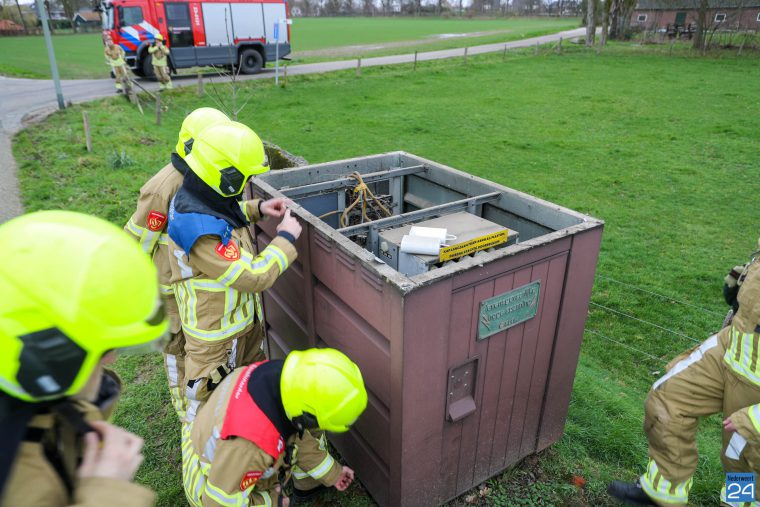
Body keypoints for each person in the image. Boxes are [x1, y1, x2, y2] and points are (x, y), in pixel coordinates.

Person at [0, 210, 169, 507]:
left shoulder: (34, 407)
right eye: (103, 350)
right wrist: (107, 493)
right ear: (46, 359)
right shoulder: (22, 488)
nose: (113, 360)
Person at [608, 238, 760, 506]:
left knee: (741, 463)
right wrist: (746, 280)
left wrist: (754, 419)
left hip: (754, 387)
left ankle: (742, 503)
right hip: (733, 346)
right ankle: (663, 492)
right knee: (668, 399)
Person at [167, 121, 301, 423]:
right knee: (206, 412)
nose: (248, 180)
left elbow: (224, 213)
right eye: (245, 176)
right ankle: (207, 466)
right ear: (226, 177)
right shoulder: (200, 231)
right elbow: (253, 276)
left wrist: (259, 207)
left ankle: (242, 444)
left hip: (237, 327)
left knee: (244, 394)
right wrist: (286, 239)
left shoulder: (199, 193)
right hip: (216, 339)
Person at [125, 107, 230, 422]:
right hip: (166, 289)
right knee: (175, 349)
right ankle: (186, 415)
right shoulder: (164, 187)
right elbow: (136, 243)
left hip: (191, 283)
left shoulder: (206, 177)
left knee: (197, 348)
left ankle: (206, 402)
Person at [182, 347, 367, 507]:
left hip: (226, 458)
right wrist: (272, 501)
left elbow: (298, 438)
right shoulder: (250, 445)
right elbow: (218, 503)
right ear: (306, 416)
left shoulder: (278, 382)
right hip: (211, 488)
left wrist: (334, 473)